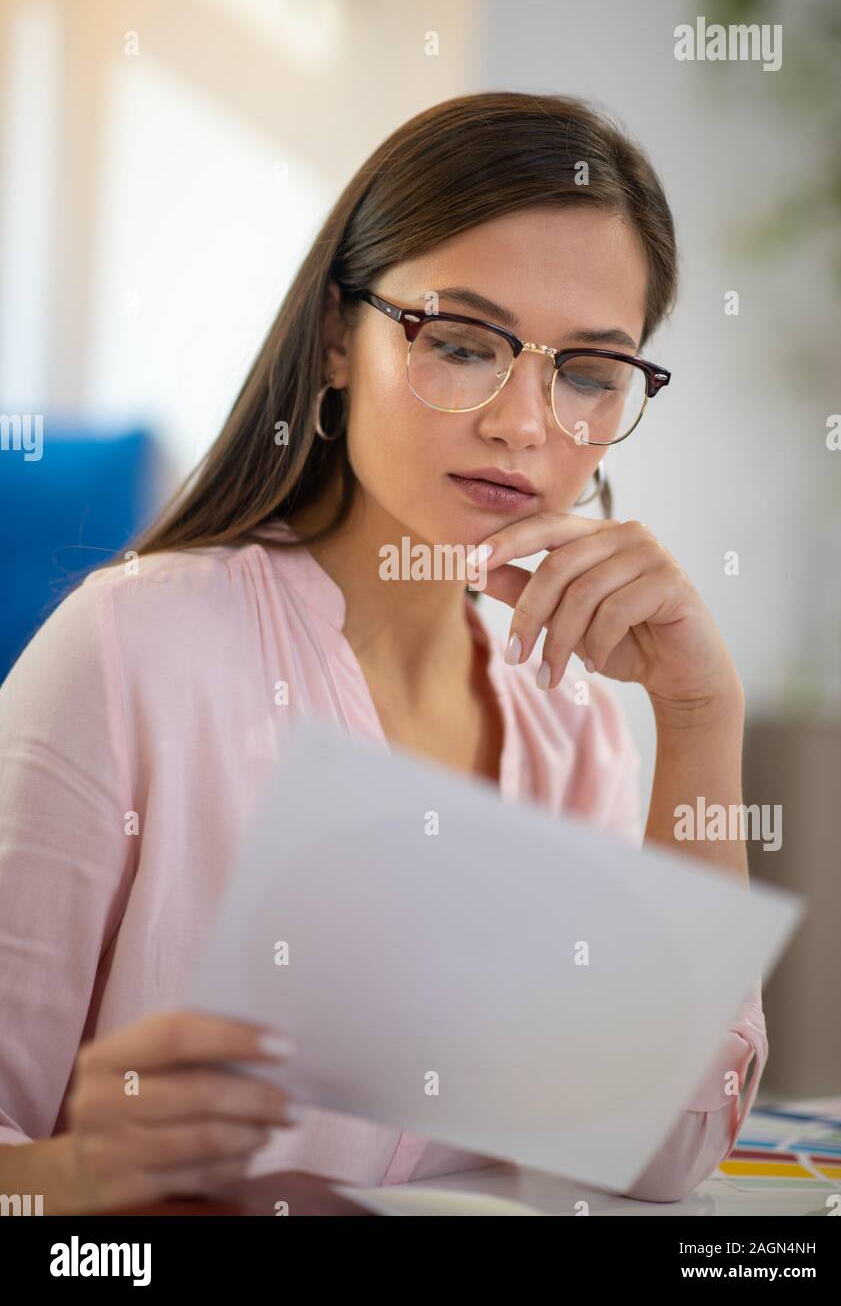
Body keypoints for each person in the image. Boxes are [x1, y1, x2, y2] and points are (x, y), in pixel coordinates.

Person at [0, 91, 766, 1214]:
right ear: (333, 340)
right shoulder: (130, 650)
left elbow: (652, 1150)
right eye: (461, 345)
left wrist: (701, 717)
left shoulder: (572, 718)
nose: (523, 424)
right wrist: (71, 1176)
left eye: (589, 373)